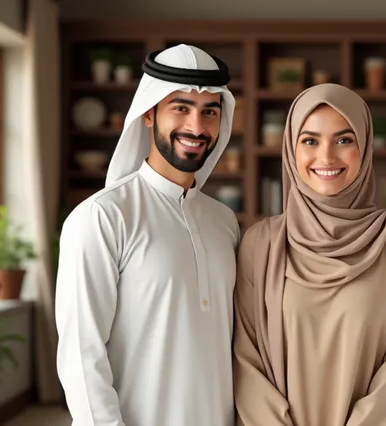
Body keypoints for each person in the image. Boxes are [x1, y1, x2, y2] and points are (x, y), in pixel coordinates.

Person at [55, 44, 240, 426]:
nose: (196, 126)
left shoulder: (225, 222)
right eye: (181, 107)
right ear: (149, 114)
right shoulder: (102, 217)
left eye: (210, 112)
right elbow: (80, 354)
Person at [232, 83, 386, 426]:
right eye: (310, 141)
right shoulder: (259, 244)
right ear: (291, 149)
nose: (326, 157)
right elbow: (246, 364)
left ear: (365, 147)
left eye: (344, 140)